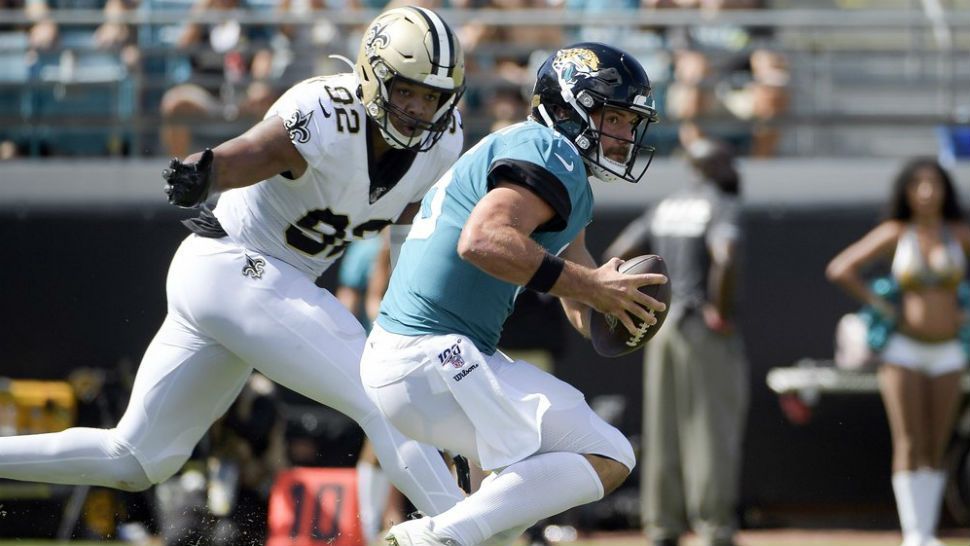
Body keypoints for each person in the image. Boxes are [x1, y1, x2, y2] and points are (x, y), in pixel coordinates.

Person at [0, 5, 468, 520]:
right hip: (237, 263)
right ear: (372, 74)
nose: (418, 109)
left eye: (431, 97)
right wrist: (210, 169)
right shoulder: (329, 110)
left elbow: (413, 219)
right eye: (406, 90)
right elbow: (256, 151)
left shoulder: (442, 145)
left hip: (247, 288)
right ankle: (472, 534)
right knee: (382, 391)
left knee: (136, 458)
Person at [359, 42, 667, 546]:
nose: (627, 135)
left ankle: (442, 535)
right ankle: (426, 538)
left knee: (503, 520)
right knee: (609, 453)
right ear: (573, 108)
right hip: (435, 356)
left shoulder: (537, 153)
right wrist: (594, 287)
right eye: (617, 118)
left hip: (422, 362)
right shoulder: (550, 151)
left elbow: (574, 271)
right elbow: (482, 240)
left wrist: (611, 309)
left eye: (632, 124)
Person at [603, 137, 748, 546]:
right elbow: (726, 256)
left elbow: (620, 252)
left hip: (661, 328)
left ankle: (661, 524)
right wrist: (718, 309)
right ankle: (713, 526)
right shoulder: (720, 203)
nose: (734, 169)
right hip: (703, 327)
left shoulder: (667, 205)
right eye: (726, 161)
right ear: (712, 167)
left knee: (662, 427)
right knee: (709, 429)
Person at [827, 158, 970, 546]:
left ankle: (928, 532)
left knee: (935, 443)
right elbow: (841, 268)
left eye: (934, 184)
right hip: (903, 349)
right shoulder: (896, 231)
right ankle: (914, 535)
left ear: (945, 190)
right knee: (908, 439)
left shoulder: (958, 233)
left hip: (949, 352)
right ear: (906, 191)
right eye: (918, 184)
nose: (927, 192)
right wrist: (884, 305)